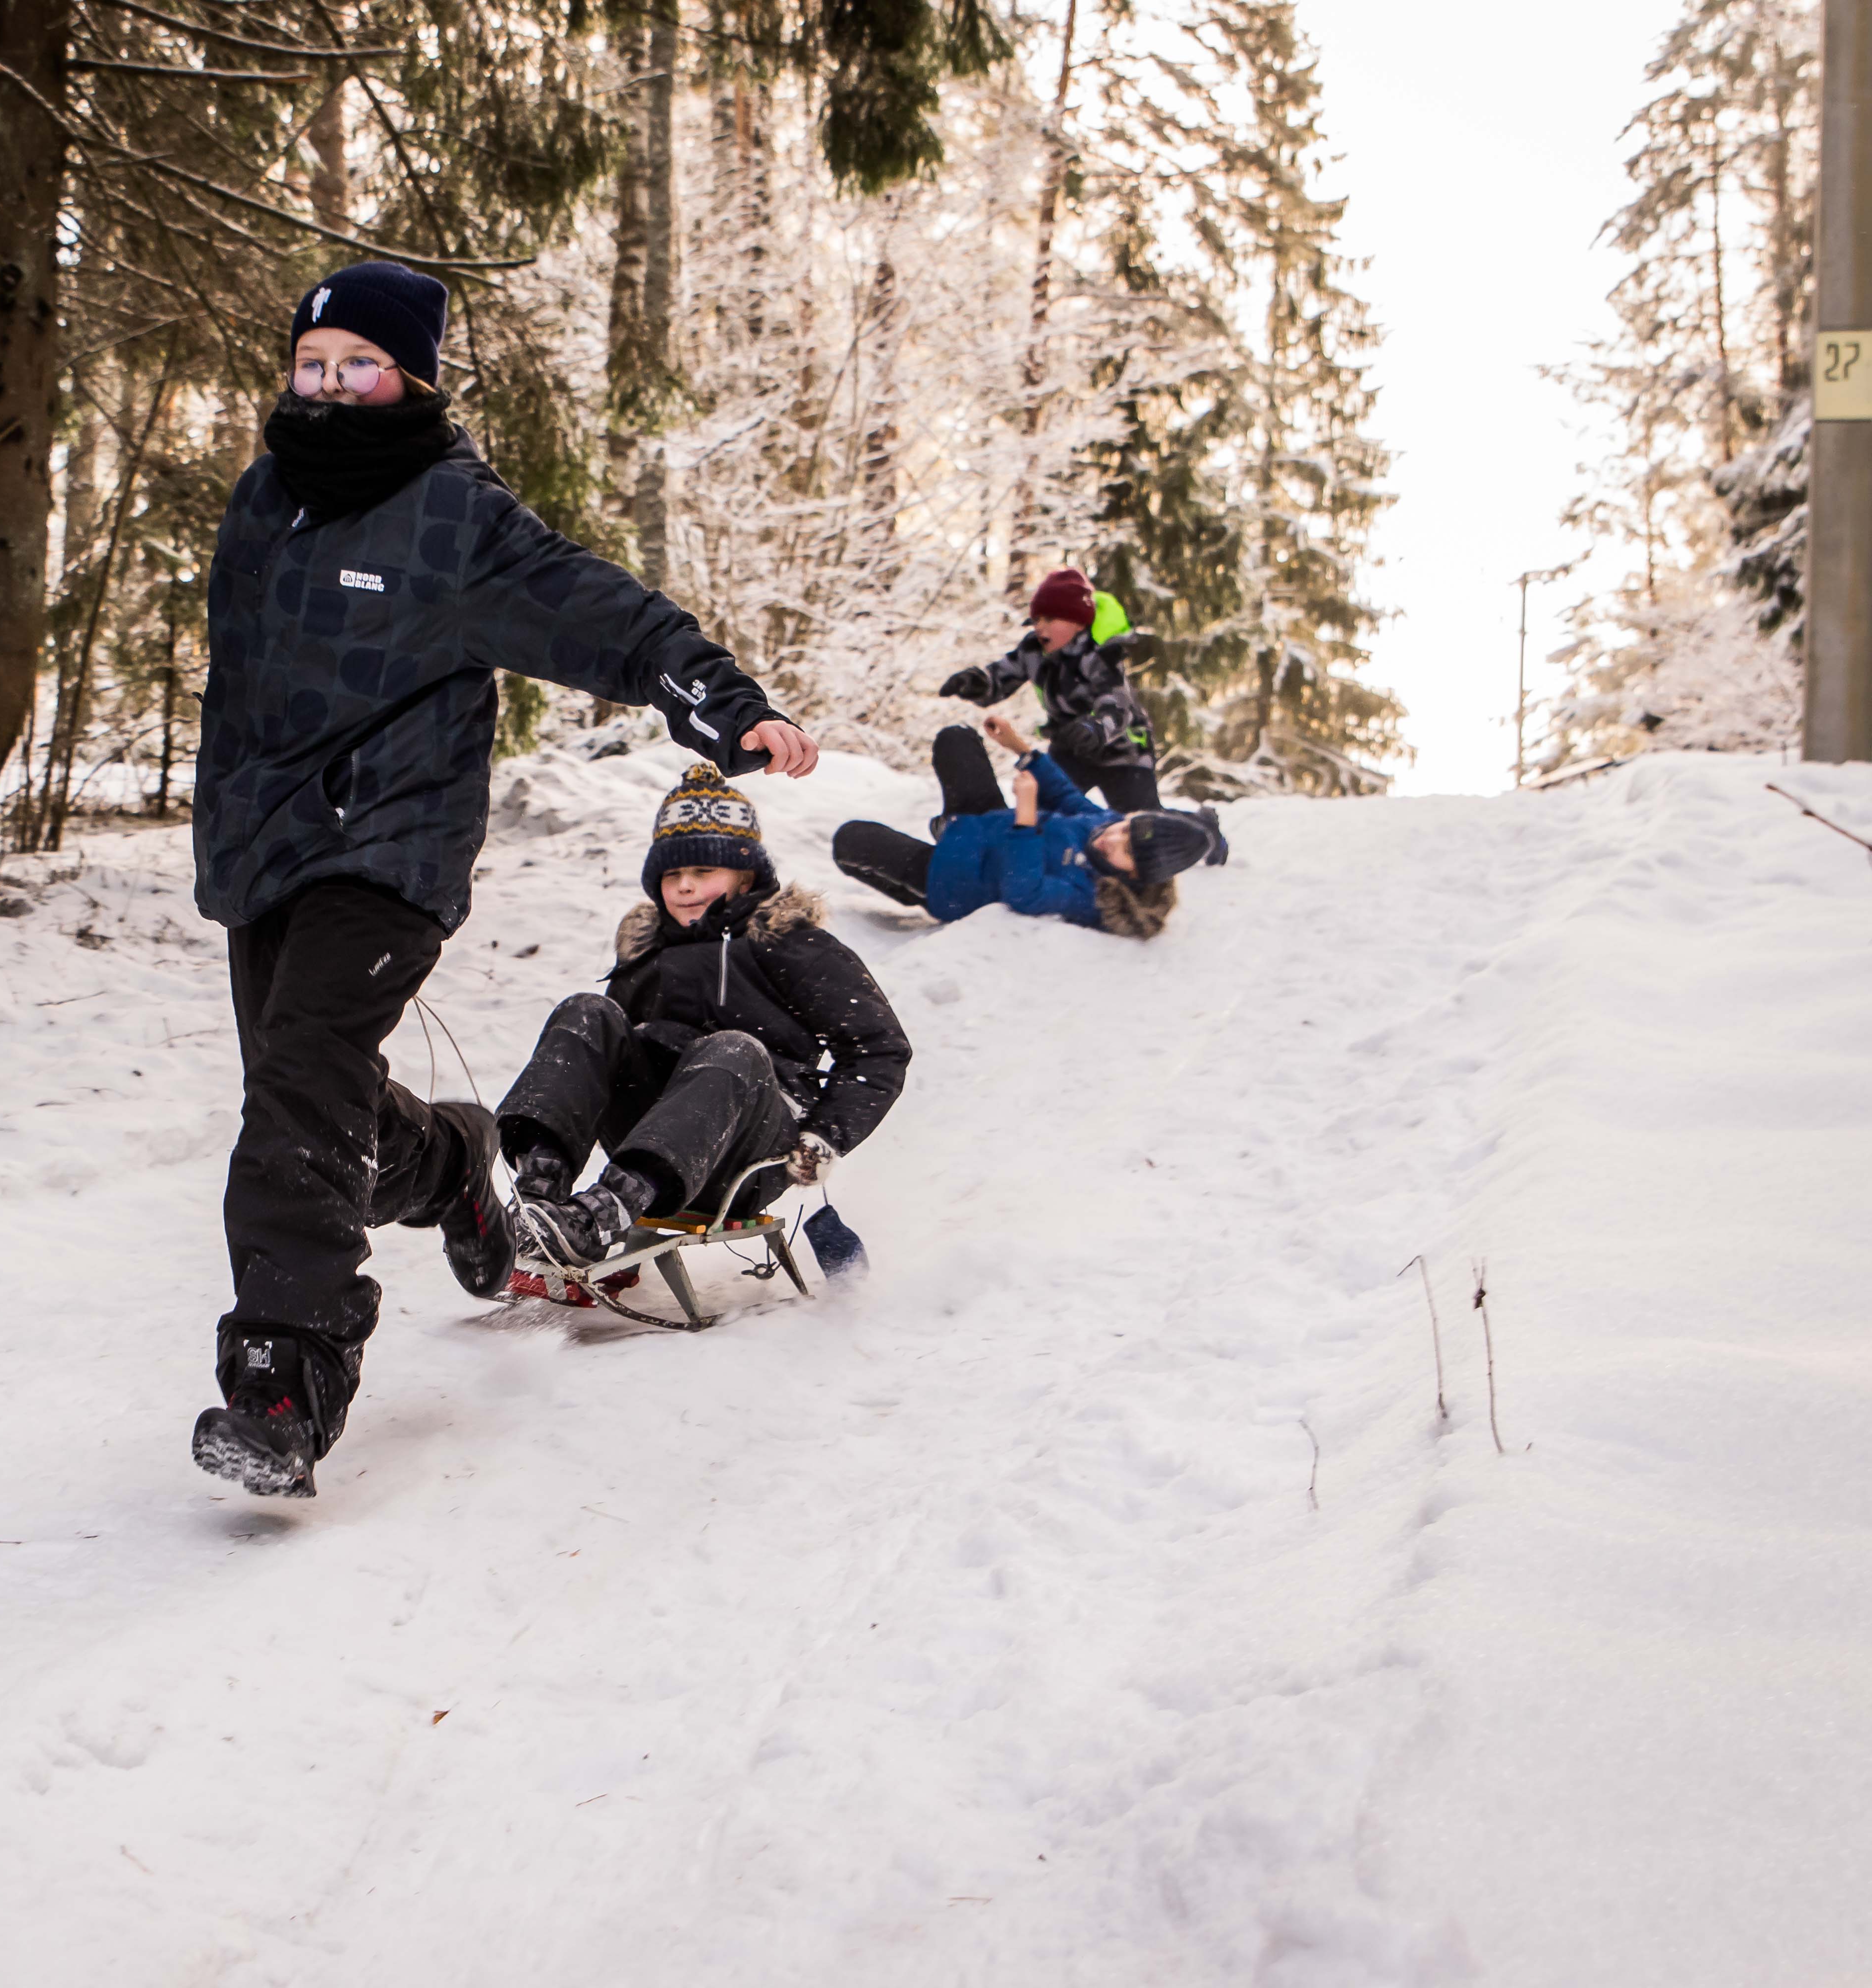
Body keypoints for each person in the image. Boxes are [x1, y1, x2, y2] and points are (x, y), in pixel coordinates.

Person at [189, 261, 821, 1498]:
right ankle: (450, 1166)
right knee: (310, 1096)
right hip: (262, 850)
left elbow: (611, 619)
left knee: (296, 1095)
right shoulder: (265, 496)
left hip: (387, 851)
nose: (329, 387)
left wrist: (726, 709)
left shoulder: (451, 515)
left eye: (358, 366)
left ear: (411, 375)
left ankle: (285, 1376)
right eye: (312, 365)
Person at [502, 764, 910, 1275]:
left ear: (746, 878)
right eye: (673, 876)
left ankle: (603, 1215)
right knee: (587, 1013)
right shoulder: (647, 957)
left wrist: (827, 1132)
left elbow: (880, 1048)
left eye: (703, 873)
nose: (686, 887)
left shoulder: (790, 944)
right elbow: (601, 1063)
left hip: (750, 1151)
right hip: (652, 1136)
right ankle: (539, 1195)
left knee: (733, 1048)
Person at [830, 716, 1220, 939]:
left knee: (851, 841)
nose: (1112, 837)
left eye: (1127, 849)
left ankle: (917, 892)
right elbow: (1068, 797)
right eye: (1125, 828)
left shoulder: (1097, 897)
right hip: (987, 825)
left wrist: (1028, 815)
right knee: (958, 739)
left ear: (1136, 875)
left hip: (955, 879)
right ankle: (951, 827)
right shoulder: (1105, 825)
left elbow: (1025, 891)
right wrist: (1022, 751)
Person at [937, 567, 1162, 811]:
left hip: (1123, 752)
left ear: (1077, 623)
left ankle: (1195, 830)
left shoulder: (1099, 655)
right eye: (1036, 620)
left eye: (1050, 620)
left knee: (1139, 825)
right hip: (1070, 750)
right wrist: (976, 684)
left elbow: (1117, 704)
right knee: (1041, 813)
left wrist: (1096, 727)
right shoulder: (1033, 651)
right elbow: (1001, 678)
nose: (1040, 628)